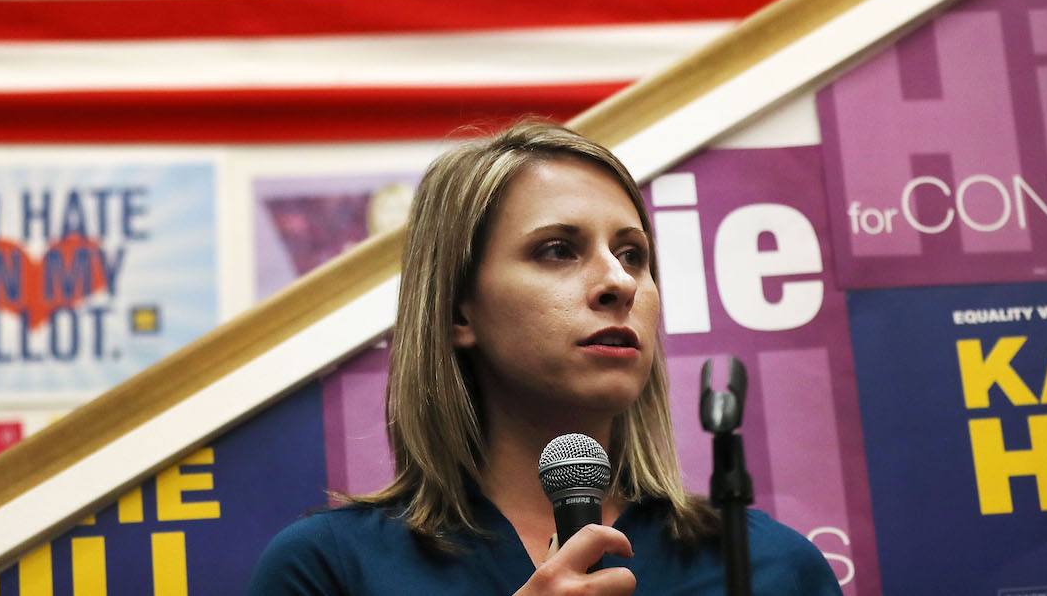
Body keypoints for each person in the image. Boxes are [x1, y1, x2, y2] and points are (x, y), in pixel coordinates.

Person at [249, 122, 843, 595]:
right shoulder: (329, 571)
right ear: (459, 312)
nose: (620, 282)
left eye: (633, 254)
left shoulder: (771, 568)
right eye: (558, 250)